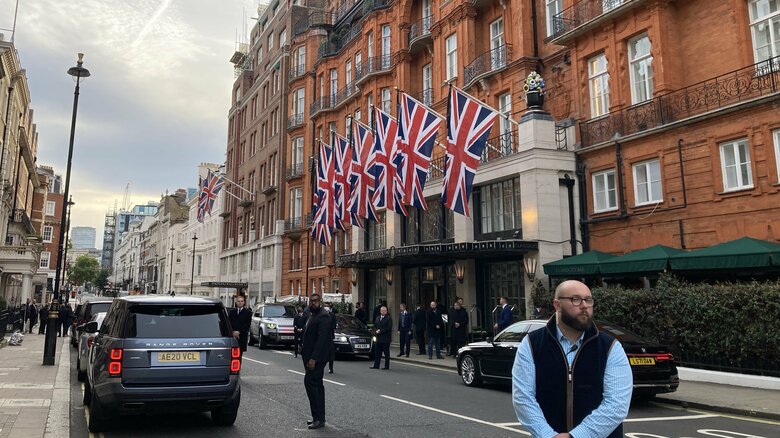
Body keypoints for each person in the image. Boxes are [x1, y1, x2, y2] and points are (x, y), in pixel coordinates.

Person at [512, 280, 632, 437]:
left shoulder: (610, 347)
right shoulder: (531, 344)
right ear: (557, 305)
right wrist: (548, 435)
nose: (584, 306)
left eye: (588, 300)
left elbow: (617, 404)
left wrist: (575, 436)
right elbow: (523, 398)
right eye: (575, 299)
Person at [301, 293, 331, 430]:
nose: (313, 303)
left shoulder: (323, 316)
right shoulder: (311, 314)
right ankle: (318, 417)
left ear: (320, 302)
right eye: (311, 301)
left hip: (317, 359)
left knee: (311, 383)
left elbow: (321, 340)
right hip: (310, 357)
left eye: (316, 301)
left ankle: (319, 418)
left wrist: (313, 358)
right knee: (316, 385)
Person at [371, 305, 392, 369]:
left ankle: (386, 366)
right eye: (382, 310)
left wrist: (380, 331)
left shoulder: (388, 318)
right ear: (380, 311)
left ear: (386, 311)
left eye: (384, 310)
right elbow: (374, 326)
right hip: (378, 338)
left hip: (385, 338)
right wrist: (375, 330)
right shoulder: (377, 318)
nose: (383, 312)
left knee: (386, 353)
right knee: (377, 353)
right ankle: (376, 365)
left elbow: (388, 328)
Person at [323, 303, 337, 374]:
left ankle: (331, 368)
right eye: (325, 307)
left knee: (331, 353)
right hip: (322, 337)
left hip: (330, 336)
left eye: (327, 307)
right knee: (323, 352)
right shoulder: (321, 315)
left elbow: (334, 325)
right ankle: (321, 366)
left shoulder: (332, 315)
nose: (326, 308)